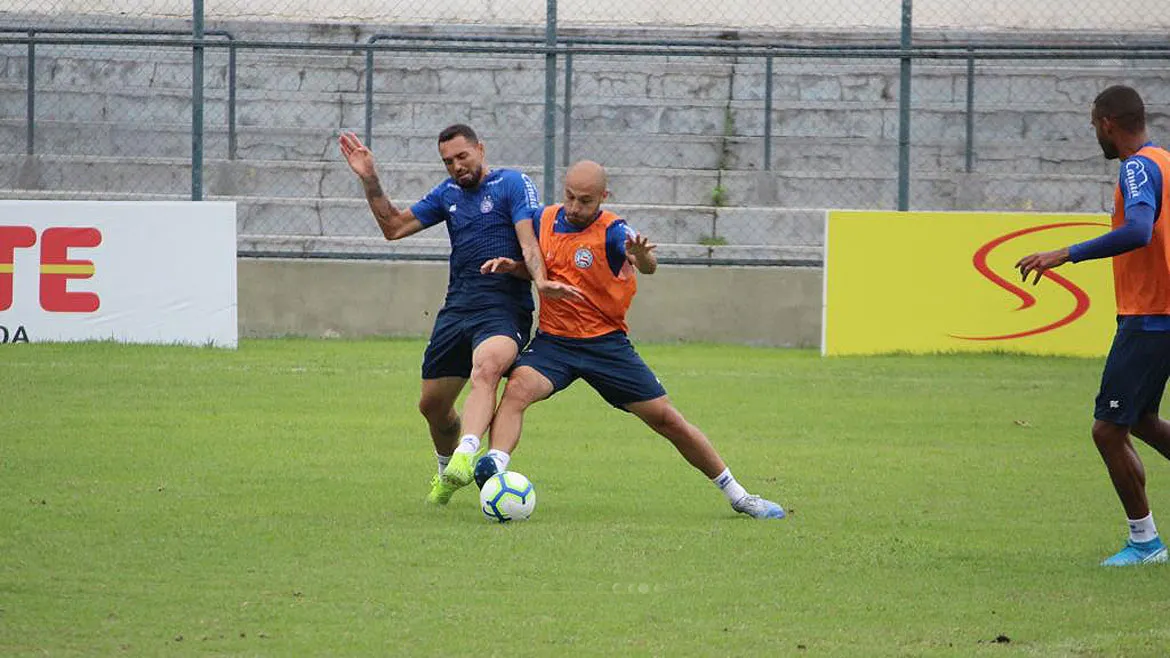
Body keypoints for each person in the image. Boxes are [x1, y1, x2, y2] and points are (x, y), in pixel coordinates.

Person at [454, 160, 785, 519]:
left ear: (603, 197)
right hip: (555, 343)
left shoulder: (613, 230)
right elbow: (539, 263)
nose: (575, 208)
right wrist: (513, 267)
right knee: (516, 391)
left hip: (605, 346)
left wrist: (643, 258)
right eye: (570, 197)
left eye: (585, 201)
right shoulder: (544, 219)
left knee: (667, 420)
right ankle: (495, 471)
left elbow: (646, 262)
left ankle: (738, 495)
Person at [339, 124, 576, 505]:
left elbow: (531, 243)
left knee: (486, 370)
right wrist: (370, 179)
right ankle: (445, 471)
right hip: (457, 309)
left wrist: (539, 279)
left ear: (480, 149)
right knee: (432, 406)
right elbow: (394, 228)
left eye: (462, 156)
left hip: (503, 308)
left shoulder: (512, 184)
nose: (456, 166)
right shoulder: (447, 195)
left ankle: (467, 454)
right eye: (448, 161)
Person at [1017, 85, 1170, 566]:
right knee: (1140, 419)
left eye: (1093, 126)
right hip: (1160, 313)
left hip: (1149, 317)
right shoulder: (1165, 160)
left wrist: (1065, 253)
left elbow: (1139, 230)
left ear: (1107, 123)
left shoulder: (1139, 167)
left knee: (1108, 431)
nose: (1095, 135)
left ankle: (1144, 542)